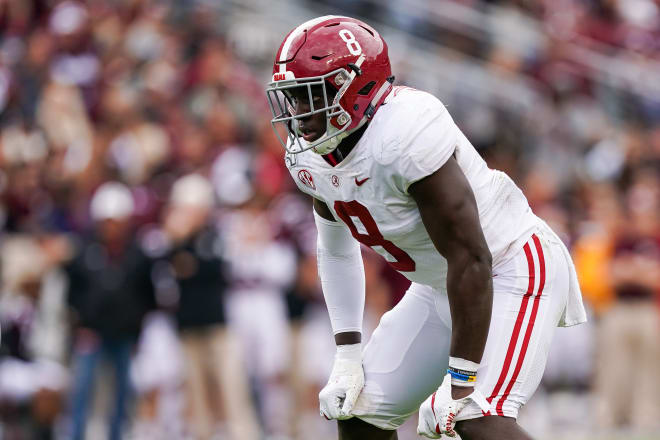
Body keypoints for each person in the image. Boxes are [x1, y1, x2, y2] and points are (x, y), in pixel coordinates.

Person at [265, 16, 587, 440]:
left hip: (510, 266)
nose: (301, 114)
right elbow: (336, 248)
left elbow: (472, 257)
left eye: (312, 96)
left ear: (354, 86)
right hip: (441, 285)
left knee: (473, 417)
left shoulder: (404, 131)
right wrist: (346, 355)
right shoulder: (308, 155)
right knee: (358, 413)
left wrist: (460, 383)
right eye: (294, 98)